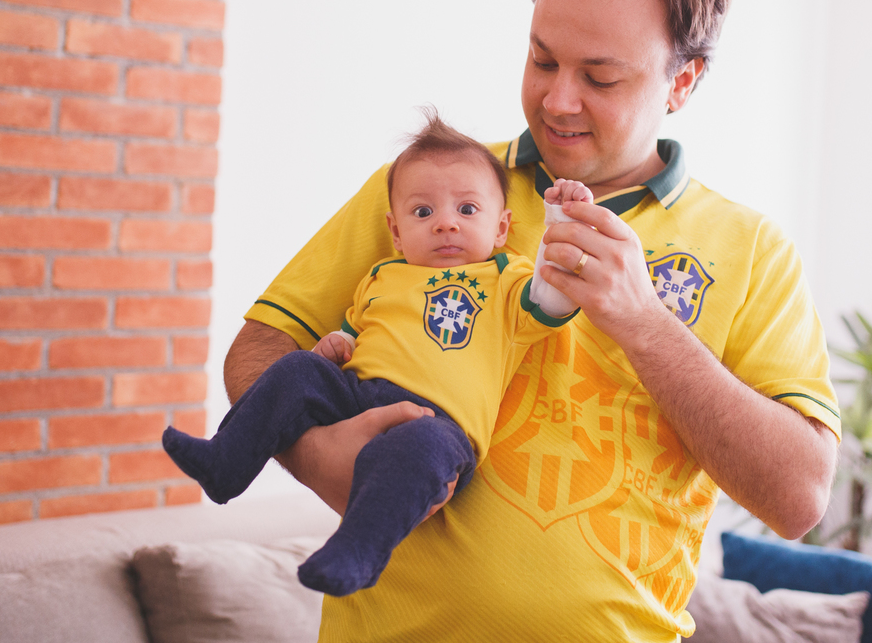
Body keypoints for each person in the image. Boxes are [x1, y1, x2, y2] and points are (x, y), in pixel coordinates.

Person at [227, 0, 841, 642]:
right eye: (543, 59)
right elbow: (259, 350)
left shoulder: (753, 251)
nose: (557, 101)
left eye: (601, 77)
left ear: (685, 82)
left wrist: (644, 323)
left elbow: (799, 498)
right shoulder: (435, 191)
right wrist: (314, 454)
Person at [164, 113, 591, 596]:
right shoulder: (382, 276)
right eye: (423, 212)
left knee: (411, 456)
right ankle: (227, 461)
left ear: (501, 228)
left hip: (436, 422)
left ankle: (358, 552)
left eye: (467, 210)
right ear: (395, 229)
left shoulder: (506, 280)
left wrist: (564, 222)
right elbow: (353, 334)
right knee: (299, 368)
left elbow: (554, 300)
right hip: (359, 392)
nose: (446, 222)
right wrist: (336, 348)